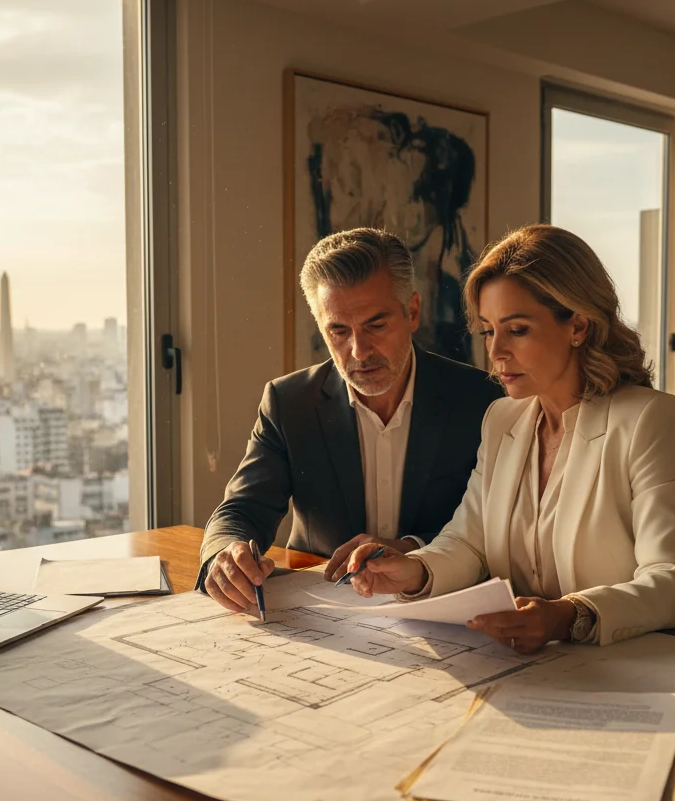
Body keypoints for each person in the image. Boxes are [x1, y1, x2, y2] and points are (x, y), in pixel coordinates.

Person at [348, 224, 675, 651]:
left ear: (577, 325)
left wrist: (568, 615)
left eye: (517, 330)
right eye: (488, 330)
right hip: (538, 668)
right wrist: (415, 570)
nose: (496, 350)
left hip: (647, 663)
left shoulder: (650, 419)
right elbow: (469, 542)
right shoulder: (502, 419)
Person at [200, 227, 501, 613]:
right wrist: (225, 553)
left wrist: (412, 550)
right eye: (338, 331)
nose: (359, 351)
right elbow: (241, 510)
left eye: (376, 325)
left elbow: (494, 530)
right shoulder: (289, 402)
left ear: (412, 312)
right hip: (324, 610)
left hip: (443, 606)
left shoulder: (482, 399)